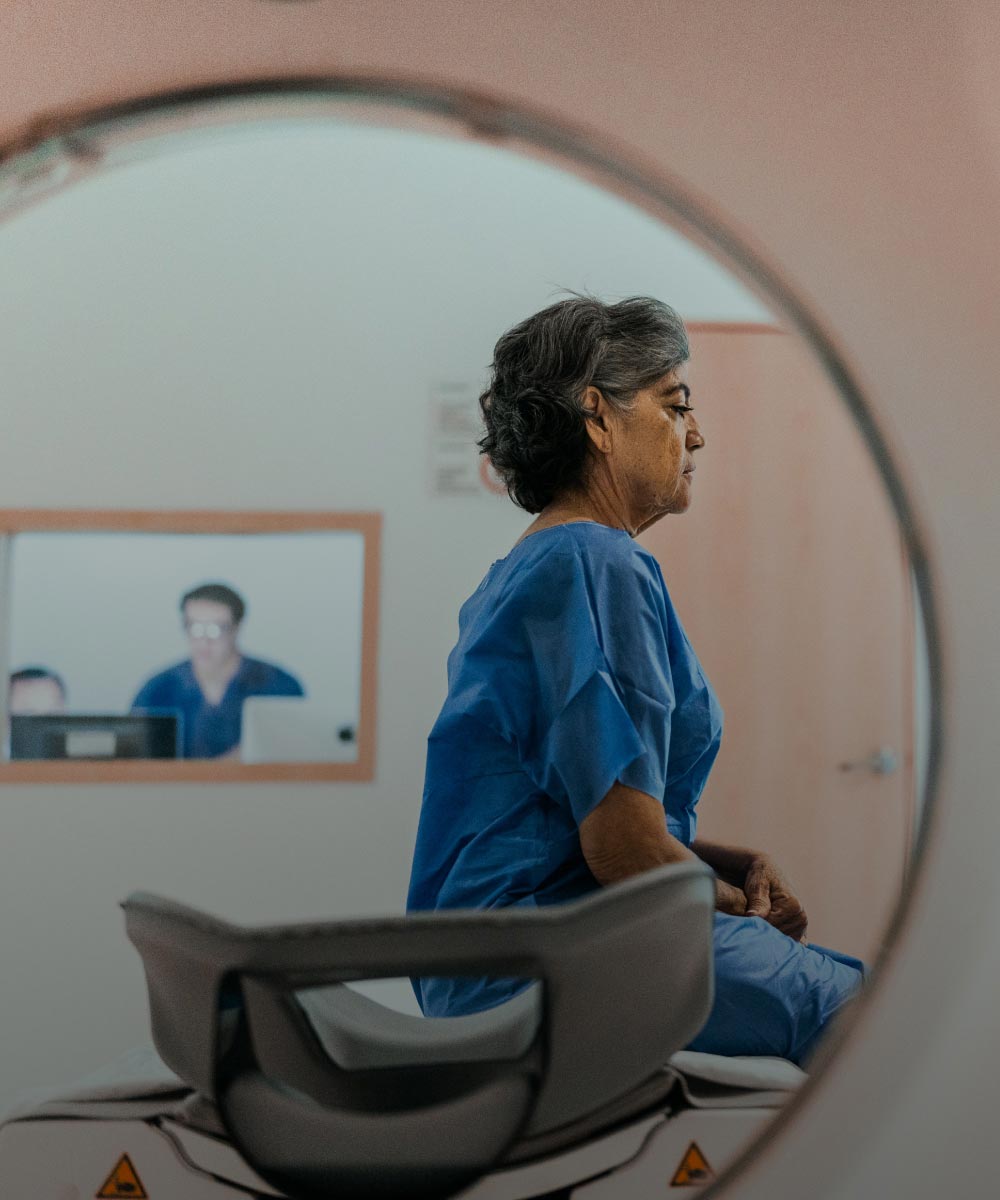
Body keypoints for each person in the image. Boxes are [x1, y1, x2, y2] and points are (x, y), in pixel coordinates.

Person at [407, 295, 866, 1066]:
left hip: (498, 961)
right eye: (674, 404)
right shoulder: (596, 563)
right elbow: (622, 853)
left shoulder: (528, 570)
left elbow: (569, 809)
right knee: (871, 1018)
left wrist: (716, 864)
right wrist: (728, 906)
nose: (697, 434)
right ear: (597, 416)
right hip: (555, 960)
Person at [131, 582, 304, 759]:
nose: (204, 641)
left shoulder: (278, 685)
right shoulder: (157, 690)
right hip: (174, 787)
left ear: (236, 628)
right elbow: (135, 761)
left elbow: (296, 750)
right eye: (195, 628)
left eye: (215, 629)